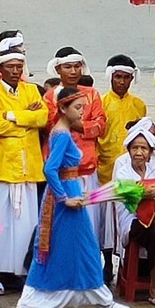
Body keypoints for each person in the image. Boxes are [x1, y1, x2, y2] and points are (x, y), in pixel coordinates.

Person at [13, 87, 132, 308]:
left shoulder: (63, 132)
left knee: (74, 248)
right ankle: (32, 302)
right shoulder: (62, 134)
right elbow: (49, 169)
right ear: (63, 109)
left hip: (71, 192)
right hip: (65, 199)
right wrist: (63, 198)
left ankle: (99, 298)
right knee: (79, 247)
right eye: (77, 108)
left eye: (83, 107)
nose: (82, 112)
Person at [0, 51, 47, 296]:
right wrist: (26, 121)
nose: (16, 71)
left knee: (27, 224)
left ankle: (23, 271)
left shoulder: (31, 91)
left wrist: (12, 116)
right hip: (2, 168)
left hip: (28, 168)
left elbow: (42, 118)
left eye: (19, 66)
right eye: (10, 67)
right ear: (1, 70)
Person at [44, 47, 107, 249]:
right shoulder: (50, 96)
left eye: (77, 66)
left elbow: (102, 126)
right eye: (68, 67)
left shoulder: (92, 94)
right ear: (58, 69)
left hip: (88, 167)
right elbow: (49, 124)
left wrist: (76, 125)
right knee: (62, 229)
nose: (73, 71)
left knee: (90, 227)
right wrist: (85, 125)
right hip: (61, 173)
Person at [114, 127, 155, 307]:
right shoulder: (123, 172)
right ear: (129, 151)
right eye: (135, 148)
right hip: (133, 221)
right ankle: (154, 285)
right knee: (154, 234)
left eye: (143, 149)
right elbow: (125, 197)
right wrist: (143, 193)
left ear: (150, 153)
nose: (139, 152)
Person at [98, 55, 146, 185]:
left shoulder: (139, 105)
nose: (122, 82)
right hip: (105, 165)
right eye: (118, 77)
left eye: (126, 77)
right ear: (111, 77)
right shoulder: (100, 103)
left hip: (131, 164)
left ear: (132, 78)